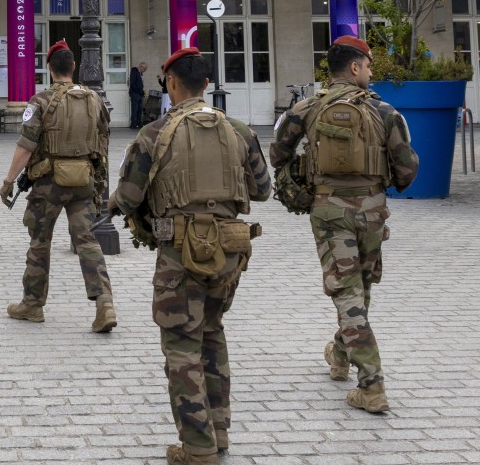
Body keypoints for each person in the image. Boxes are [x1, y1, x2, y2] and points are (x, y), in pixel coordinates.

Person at [108, 47, 271, 465]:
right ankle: (219, 432)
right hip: (231, 251)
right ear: (208, 84)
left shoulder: (154, 133)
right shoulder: (239, 131)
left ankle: (198, 448)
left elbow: (127, 198)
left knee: (182, 345)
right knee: (213, 333)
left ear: (172, 83)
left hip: (180, 253)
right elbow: (263, 189)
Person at [270, 35, 418, 414]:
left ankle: (358, 370)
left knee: (350, 294)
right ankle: (365, 378)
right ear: (355, 68)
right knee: (357, 291)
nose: (370, 71)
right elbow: (406, 171)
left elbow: (276, 153)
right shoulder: (385, 112)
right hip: (372, 212)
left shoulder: (305, 109)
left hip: (329, 211)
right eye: (368, 65)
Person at [0, 40, 117, 333]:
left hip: (50, 183)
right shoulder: (94, 99)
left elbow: (26, 146)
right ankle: (105, 303)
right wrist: (99, 179)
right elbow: (103, 141)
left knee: (40, 242)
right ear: (74, 66)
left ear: (49, 68)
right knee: (87, 240)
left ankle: (32, 304)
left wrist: (9, 181)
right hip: (83, 181)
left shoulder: (40, 101)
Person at [129, 61, 148, 128]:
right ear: (141, 67)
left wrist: (142, 92)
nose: (144, 71)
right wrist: (139, 91)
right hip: (135, 93)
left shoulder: (140, 73)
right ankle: (133, 123)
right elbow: (133, 83)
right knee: (135, 109)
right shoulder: (134, 71)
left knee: (139, 109)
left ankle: (139, 122)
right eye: (144, 69)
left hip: (139, 93)